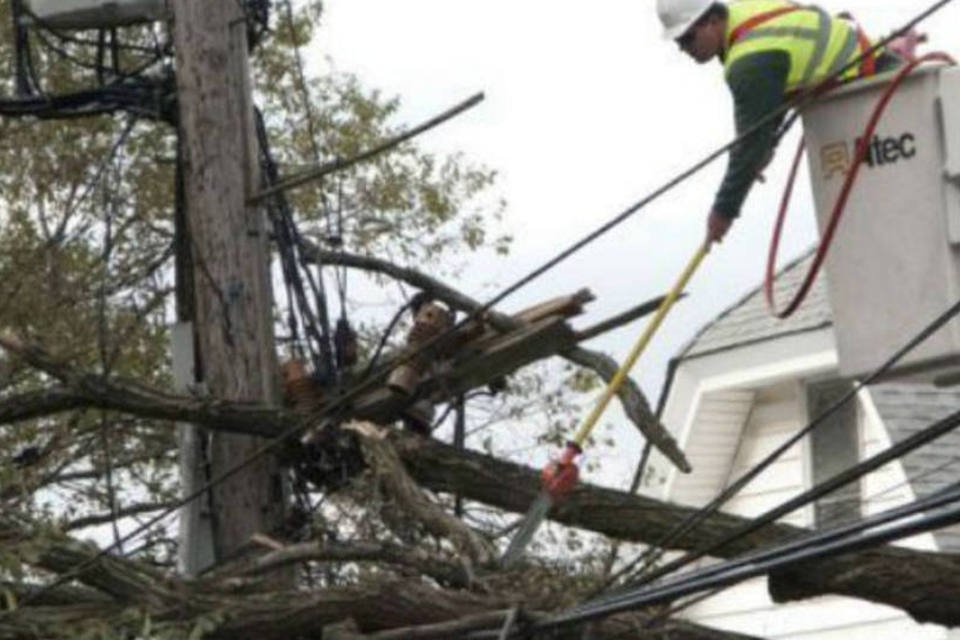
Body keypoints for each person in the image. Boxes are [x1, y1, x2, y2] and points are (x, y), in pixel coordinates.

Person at [656, 0, 907, 244]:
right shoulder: (746, 12)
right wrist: (763, 146)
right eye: (679, 43)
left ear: (711, 21)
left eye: (688, 39)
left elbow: (749, 143)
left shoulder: (748, 62)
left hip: (877, 88)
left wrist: (723, 211)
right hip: (873, 75)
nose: (684, 50)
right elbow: (770, 99)